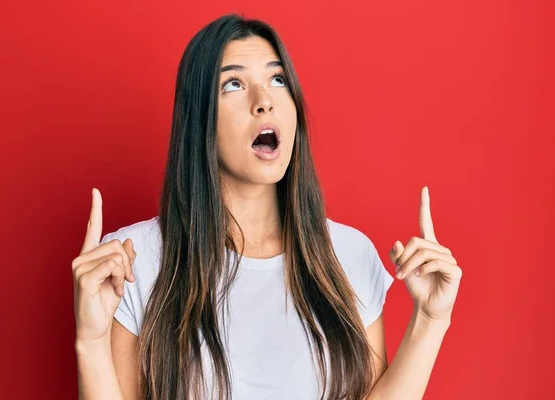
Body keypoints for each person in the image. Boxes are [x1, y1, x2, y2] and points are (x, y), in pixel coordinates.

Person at [72, 14, 462, 400]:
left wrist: (430, 319)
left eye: (277, 79)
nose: (264, 101)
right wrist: (91, 340)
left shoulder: (350, 254)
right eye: (234, 84)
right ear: (200, 119)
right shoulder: (134, 259)